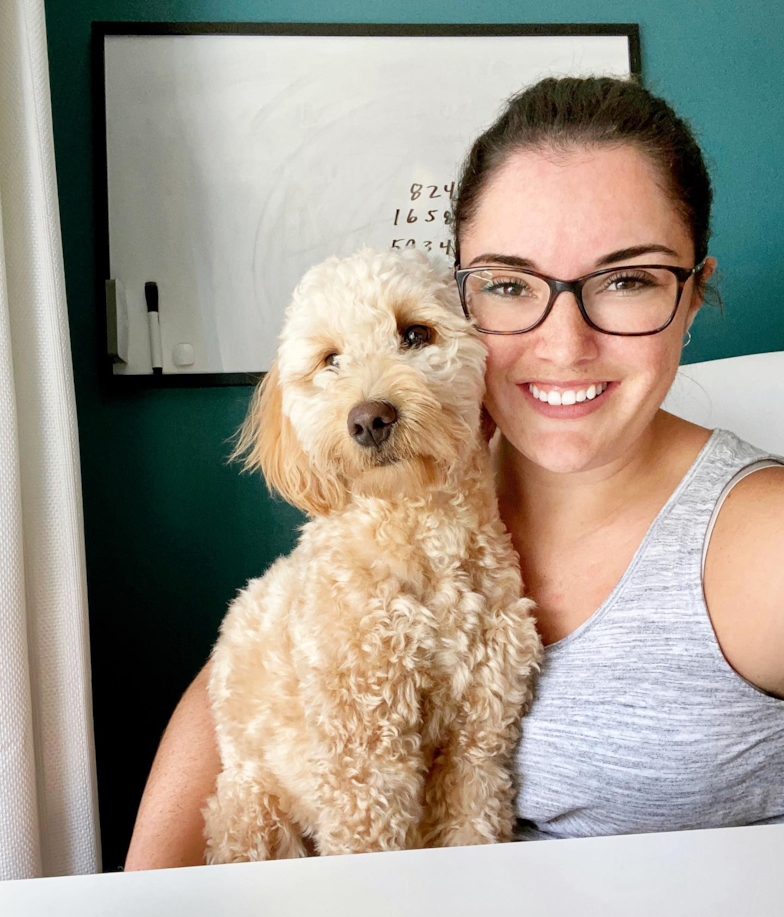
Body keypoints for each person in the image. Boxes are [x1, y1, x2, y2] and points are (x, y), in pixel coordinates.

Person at [124, 76, 784, 869]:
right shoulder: (404, 487)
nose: (565, 343)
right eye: (510, 285)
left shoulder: (762, 543)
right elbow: (245, 678)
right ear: (463, 301)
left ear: (693, 294)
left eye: (627, 279)